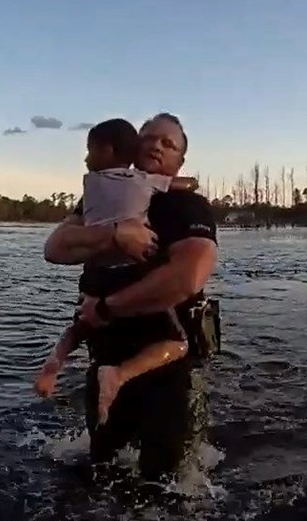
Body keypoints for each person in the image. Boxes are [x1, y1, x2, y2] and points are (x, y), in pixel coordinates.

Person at [42, 113, 219, 481]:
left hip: (166, 367)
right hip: (106, 353)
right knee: (101, 470)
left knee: (166, 483)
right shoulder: (102, 195)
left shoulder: (187, 206)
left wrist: (107, 308)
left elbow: (189, 275)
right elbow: (56, 247)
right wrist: (116, 234)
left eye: (168, 143)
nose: (156, 145)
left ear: (179, 161)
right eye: (149, 137)